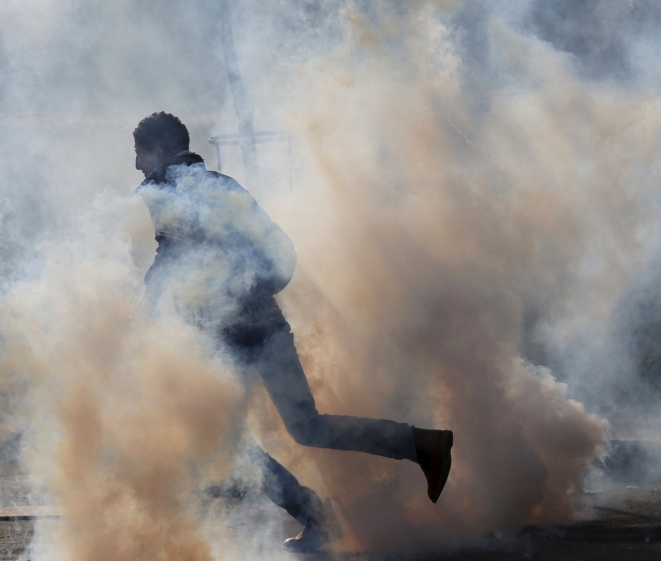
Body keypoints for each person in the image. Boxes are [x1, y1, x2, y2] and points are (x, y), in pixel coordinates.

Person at [133, 112, 453, 553]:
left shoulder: (191, 191)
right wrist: (146, 306)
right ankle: (420, 445)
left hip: (241, 334)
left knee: (230, 444)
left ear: (162, 151)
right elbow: (170, 255)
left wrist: (239, 296)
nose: (136, 166)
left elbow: (276, 253)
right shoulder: (204, 189)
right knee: (303, 427)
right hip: (258, 330)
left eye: (140, 154)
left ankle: (318, 515)